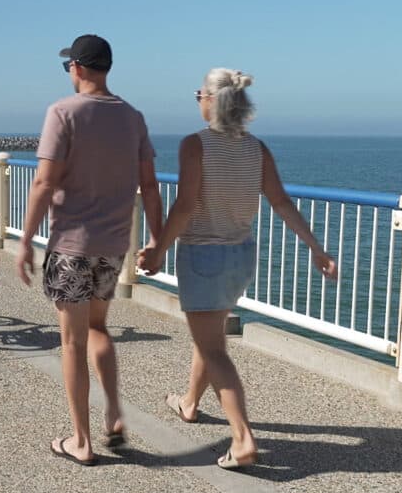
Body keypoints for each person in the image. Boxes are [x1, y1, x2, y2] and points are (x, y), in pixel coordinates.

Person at [139, 68, 338, 470]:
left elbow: (186, 205)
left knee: (213, 346)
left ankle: (243, 438)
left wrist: (158, 248)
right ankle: (189, 403)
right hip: (241, 257)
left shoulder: (195, 146)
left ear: (212, 101)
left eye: (199, 94)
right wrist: (315, 247)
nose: (197, 99)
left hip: (204, 256)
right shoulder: (256, 148)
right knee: (209, 333)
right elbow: (281, 202)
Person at [16, 34, 163, 466]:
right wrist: (155, 240)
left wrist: (25, 240)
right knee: (99, 327)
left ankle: (81, 441)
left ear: (77, 68)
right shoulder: (133, 117)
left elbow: (44, 182)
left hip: (71, 246)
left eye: (68, 66)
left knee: (72, 342)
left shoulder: (63, 112)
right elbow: (150, 187)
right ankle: (114, 410)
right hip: (113, 245)